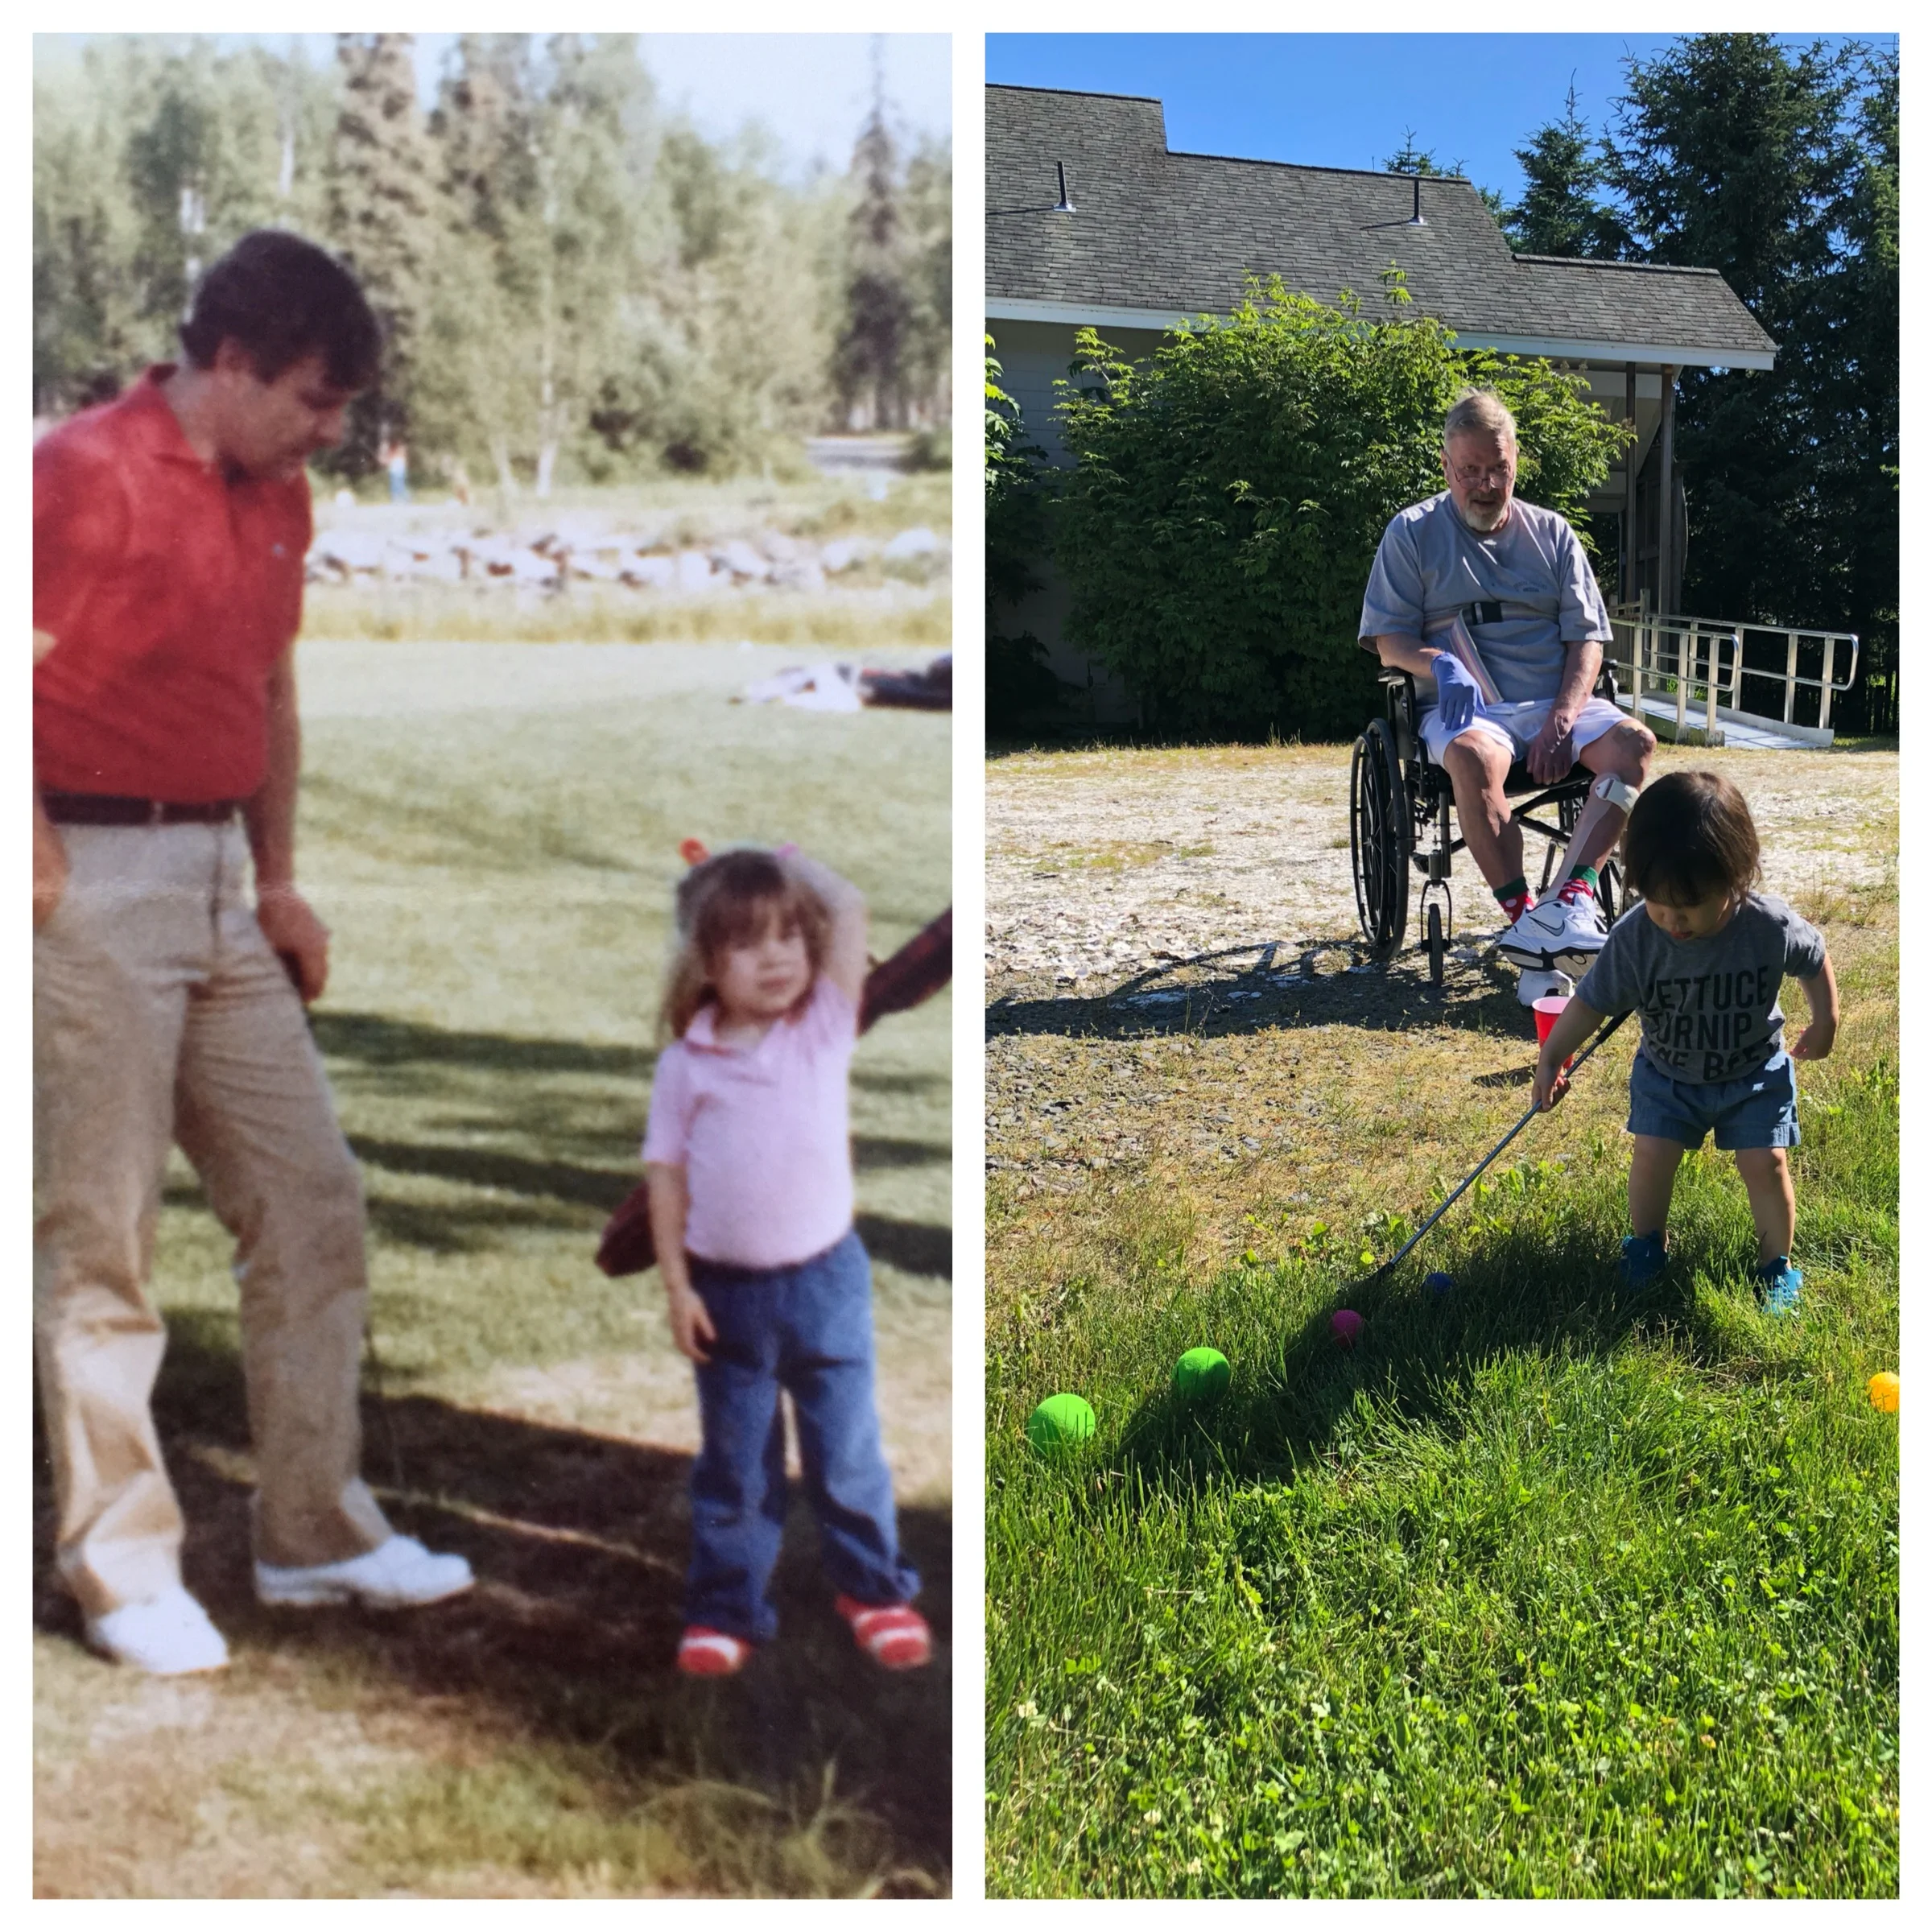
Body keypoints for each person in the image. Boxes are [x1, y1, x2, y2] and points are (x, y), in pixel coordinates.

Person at [34, 230, 474, 1678]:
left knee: (312, 1200)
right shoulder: (78, 474)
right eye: (312, 399)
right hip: (82, 881)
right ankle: (121, 1569)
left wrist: (279, 879)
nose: (331, 432)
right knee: (101, 1242)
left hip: (224, 879)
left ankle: (313, 1535)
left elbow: (272, 690)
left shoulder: (277, 495)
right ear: (226, 364)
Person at [642, 847, 931, 1677]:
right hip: (725, 1294)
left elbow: (850, 909)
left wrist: (779, 862)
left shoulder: (823, 1029)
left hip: (825, 1285)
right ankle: (726, 1610)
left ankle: (874, 1591)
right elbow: (664, 1177)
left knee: (846, 1454)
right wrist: (677, 1286)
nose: (773, 959)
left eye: (786, 938)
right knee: (736, 1467)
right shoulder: (685, 1066)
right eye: (744, 942)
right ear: (704, 961)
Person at [1360, 388, 1657, 1004]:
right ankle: (1528, 926)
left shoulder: (1552, 534)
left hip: (1555, 704)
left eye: (1498, 469)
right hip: (1467, 711)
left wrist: (1562, 716)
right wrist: (1439, 663)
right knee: (1472, 759)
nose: (1486, 484)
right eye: (1471, 471)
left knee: (1635, 745)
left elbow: (1588, 640)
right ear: (1446, 467)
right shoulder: (1412, 534)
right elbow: (1389, 639)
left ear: (1516, 461)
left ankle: (1569, 901)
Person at [1533, 771, 1837, 1314]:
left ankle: (1776, 1268)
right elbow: (1591, 1003)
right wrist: (1554, 1055)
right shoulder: (1636, 938)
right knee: (1652, 1156)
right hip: (1668, 1076)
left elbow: (1813, 958)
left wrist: (1826, 1020)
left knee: (1765, 1164)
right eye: (1657, 902)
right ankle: (1647, 1244)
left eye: (1690, 905)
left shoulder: (1766, 926)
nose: (1672, 919)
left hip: (1754, 1075)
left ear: (1736, 878)